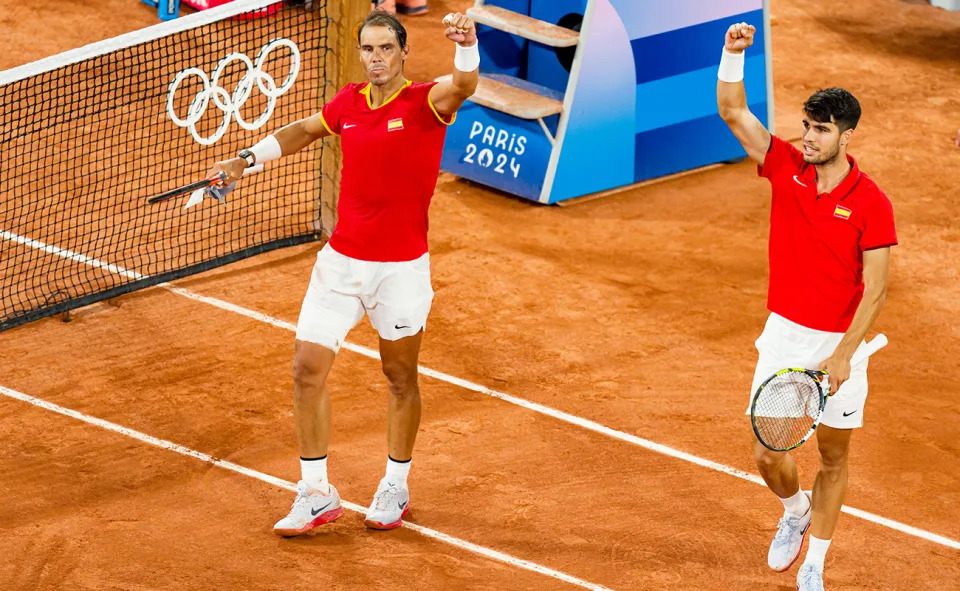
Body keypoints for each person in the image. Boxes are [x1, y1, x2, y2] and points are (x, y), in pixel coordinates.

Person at [206, 9, 478, 535]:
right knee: (307, 369)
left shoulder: (427, 102)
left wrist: (466, 43)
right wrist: (245, 158)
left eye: (384, 49)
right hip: (340, 264)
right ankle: (315, 492)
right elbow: (305, 130)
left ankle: (396, 482)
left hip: (399, 271)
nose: (375, 59)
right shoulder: (349, 102)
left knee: (400, 377)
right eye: (367, 49)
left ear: (402, 52)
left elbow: (464, 81)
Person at [716, 22, 897, 591]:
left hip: (840, 348)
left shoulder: (871, 203)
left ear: (846, 134)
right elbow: (732, 112)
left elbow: (877, 289)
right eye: (806, 127)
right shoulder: (786, 168)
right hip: (785, 337)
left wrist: (843, 356)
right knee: (769, 454)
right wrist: (731, 54)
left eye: (820, 130)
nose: (808, 138)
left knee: (834, 458)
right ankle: (795, 513)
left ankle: (816, 559)